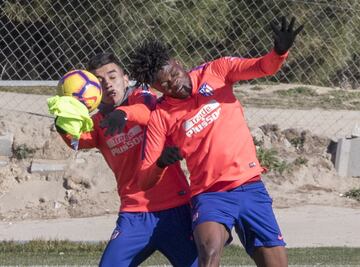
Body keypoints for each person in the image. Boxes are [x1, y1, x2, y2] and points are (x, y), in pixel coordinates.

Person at [122, 16, 303, 267]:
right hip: (210, 195)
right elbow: (144, 178)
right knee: (208, 253)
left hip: (249, 185)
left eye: (174, 74)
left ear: (178, 63)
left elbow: (263, 67)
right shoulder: (161, 116)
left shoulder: (216, 71)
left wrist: (279, 52)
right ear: (156, 89)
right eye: (164, 84)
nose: (174, 83)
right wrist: (161, 163)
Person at [55, 53, 198, 266]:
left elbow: (146, 113)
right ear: (93, 90)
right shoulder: (98, 123)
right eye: (100, 82)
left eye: (112, 77)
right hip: (134, 215)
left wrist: (122, 114)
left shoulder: (143, 98)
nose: (109, 85)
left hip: (176, 208)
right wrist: (64, 120)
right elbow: (78, 140)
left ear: (125, 78)